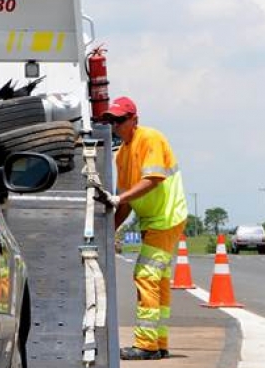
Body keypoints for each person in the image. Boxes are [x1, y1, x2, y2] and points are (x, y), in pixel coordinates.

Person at [96, 96, 189, 361]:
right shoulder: (122, 155)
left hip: (166, 217)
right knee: (156, 278)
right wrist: (109, 230)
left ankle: (146, 346)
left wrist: (119, 199)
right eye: (112, 121)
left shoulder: (150, 139)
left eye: (120, 120)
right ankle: (158, 343)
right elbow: (125, 200)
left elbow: (153, 179)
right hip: (153, 220)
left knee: (146, 275)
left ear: (134, 120)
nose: (115, 126)